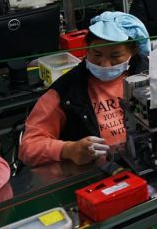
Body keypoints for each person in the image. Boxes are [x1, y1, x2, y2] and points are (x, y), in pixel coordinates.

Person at [19, 12, 150, 166]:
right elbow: (28, 147)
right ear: (87, 48)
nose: (104, 64)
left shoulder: (147, 75)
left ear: (133, 52)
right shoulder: (67, 91)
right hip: (97, 174)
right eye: (97, 53)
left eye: (115, 56)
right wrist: (68, 149)